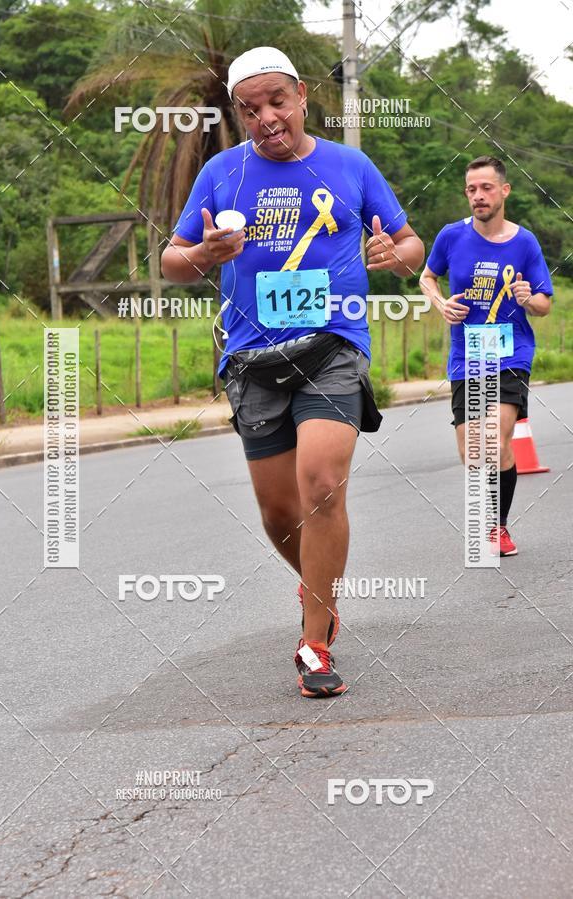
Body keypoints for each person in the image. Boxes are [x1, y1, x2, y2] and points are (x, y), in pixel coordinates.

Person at [161, 46, 424, 696]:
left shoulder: (350, 164)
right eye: (250, 109)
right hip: (251, 358)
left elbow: (410, 240)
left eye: (277, 101)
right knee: (280, 512)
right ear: (238, 114)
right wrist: (200, 253)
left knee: (322, 481)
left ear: (302, 95)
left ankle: (313, 642)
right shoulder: (223, 173)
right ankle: (323, 597)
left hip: (333, 344)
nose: (267, 117)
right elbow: (171, 260)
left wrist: (394, 252)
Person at [419, 156, 552, 557]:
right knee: (473, 451)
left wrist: (530, 300)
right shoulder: (450, 236)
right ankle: (493, 520)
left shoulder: (524, 242)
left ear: (504, 191)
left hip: (512, 354)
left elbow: (545, 304)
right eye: (472, 189)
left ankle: (497, 528)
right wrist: (440, 303)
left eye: (486, 188)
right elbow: (428, 277)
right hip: (467, 356)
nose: (478, 196)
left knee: (493, 440)